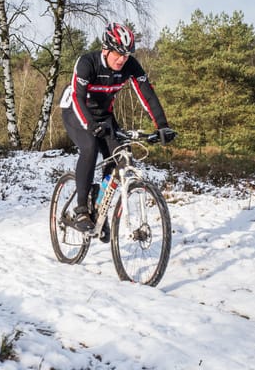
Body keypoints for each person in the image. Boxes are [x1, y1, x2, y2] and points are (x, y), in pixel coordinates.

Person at [60, 22, 176, 233]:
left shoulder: (130, 65)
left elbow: (146, 93)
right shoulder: (87, 62)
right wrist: (90, 125)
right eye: (118, 54)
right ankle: (82, 209)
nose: (123, 59)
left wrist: (162, 126)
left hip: (103, 115)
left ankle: (99, 206)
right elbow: (77, 97)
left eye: (127, 54)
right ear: (106, 49)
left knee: (120, 155)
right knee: (90, 148)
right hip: (76, 111)